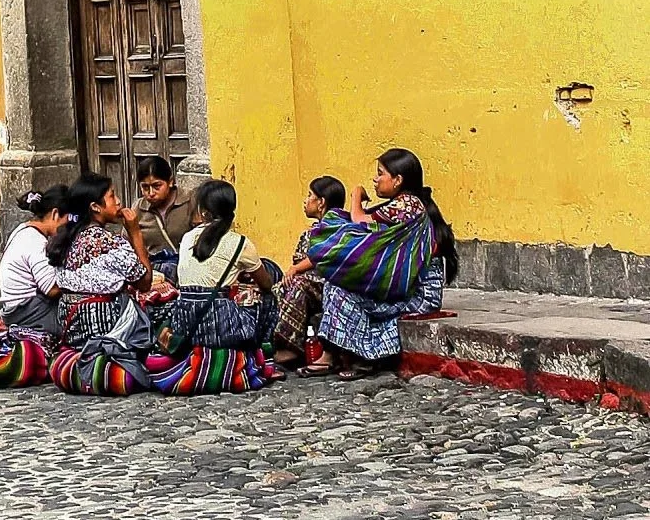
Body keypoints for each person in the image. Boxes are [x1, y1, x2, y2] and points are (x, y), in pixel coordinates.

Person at [309, 147, 458, 379]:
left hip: (417, 293)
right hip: (405, 287)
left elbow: (359, 221)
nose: (375, 179)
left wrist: (356, 195)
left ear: (397, 180)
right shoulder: (402, 205)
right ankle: (339, 355)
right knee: (337, 284)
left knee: (342, 290)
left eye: (380, 174)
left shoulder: (408, 205)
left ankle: (365, 357)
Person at [160, 178, 277, 353]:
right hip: (220, 328)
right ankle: (263, 351)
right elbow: (266, 284)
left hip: (184, 324)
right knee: (269, 298)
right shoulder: (240, 243)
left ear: (204, 212)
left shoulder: (187, 237)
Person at [52, 172, 154, 350]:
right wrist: (135, 232)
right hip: (102, 326)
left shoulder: (64, 240)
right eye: (112, 195)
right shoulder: (109, 243)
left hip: (72, 326)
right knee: (159, 309)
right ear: (95, 207)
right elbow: (145, 282)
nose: (118, 201)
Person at [271, 175, 346, 367]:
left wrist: (296, 269)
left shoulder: (339, 228)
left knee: (298, 285)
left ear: (321, 202)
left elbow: (325, 255)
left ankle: (290, 347)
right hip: (311, 281)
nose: (305, 200)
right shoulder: (310, 232)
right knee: (278, 288)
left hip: (330, 283)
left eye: (309, 195)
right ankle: (276, 342)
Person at [0, 187, 70, 339]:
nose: (69, 228)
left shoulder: (23, 229)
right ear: (55, 214)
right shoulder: (35, 241)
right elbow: (52, 289)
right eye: (68, 221)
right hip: (28, 311)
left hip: (14, 310)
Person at [134, 157, 198, 280]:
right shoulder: (138, 209)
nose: (151, 193)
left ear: (170, 182)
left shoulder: (191, 201)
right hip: (156, 277)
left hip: (189, 274)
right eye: (145, 187)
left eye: (157, 186)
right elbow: (129, 244)